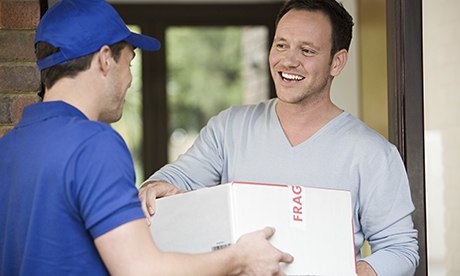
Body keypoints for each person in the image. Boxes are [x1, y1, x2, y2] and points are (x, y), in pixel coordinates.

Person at [0, 0, 294, 275]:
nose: (129, 79)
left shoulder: (8, 147)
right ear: (105, 59)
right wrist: (240, 257)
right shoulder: (94, 143)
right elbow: (142, 270)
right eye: (129, 63)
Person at [140, 0, 420, 275]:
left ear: (337, 62)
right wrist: (157, 186)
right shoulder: (230, 127)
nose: (288, 61)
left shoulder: (372, 152)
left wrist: (360, 271)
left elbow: (400, 248)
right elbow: (179, 179)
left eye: (307, 51)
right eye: (281, 45)